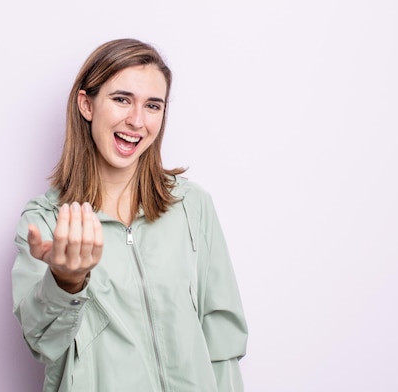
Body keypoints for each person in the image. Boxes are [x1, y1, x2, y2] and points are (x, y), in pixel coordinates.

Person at [12, 38, 248, 392]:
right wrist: (66, 281)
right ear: (86, 104)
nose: (137, 121)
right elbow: (42, 342)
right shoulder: (46, 222)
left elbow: (222, 342)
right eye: (122, 99)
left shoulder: (192, 206)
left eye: (153, 105)